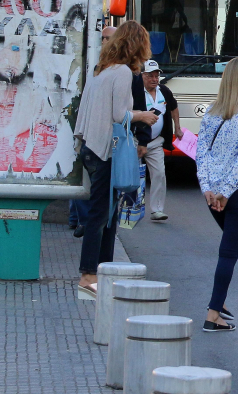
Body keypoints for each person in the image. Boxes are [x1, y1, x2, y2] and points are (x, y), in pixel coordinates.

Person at [72, 21, 158, 298]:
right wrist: (143, 115)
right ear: (137, 45)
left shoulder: (101, 71)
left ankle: (102, 271)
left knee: (108, 213)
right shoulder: (121, 72)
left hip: (90, 147)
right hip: (105, 149)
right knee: (102, 214)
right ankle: (88, 275)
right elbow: (119, 114)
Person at [197, 58, 238, 333]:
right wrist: (226, 192)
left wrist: (209, 189)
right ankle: (213, 314)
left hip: (213, 194)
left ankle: (219, 298)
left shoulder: (210, 112)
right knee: (228, 250)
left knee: (235, 241)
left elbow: (201, 154)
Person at [71, 24, 117, 236]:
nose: (105, 43)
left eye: (109, 39)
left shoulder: (118, 71)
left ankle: (88, 230)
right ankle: (84, 224)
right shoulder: (96, 68)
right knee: (91, 195)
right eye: (103, 39)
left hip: (105, 145)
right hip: (93, 143)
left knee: (101, 203)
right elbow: (121, 113)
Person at [133, 59, 181, 221]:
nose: (154, 79)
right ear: (142, 76)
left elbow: (174, 107)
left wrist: (178, 128)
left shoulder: (164, 91)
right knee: (132, 176)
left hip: (156, 141)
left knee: (159, 173)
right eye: (150, 76)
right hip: (135, 141)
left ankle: (157, 210)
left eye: (156, 76)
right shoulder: (135, 91)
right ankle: (129, 208)